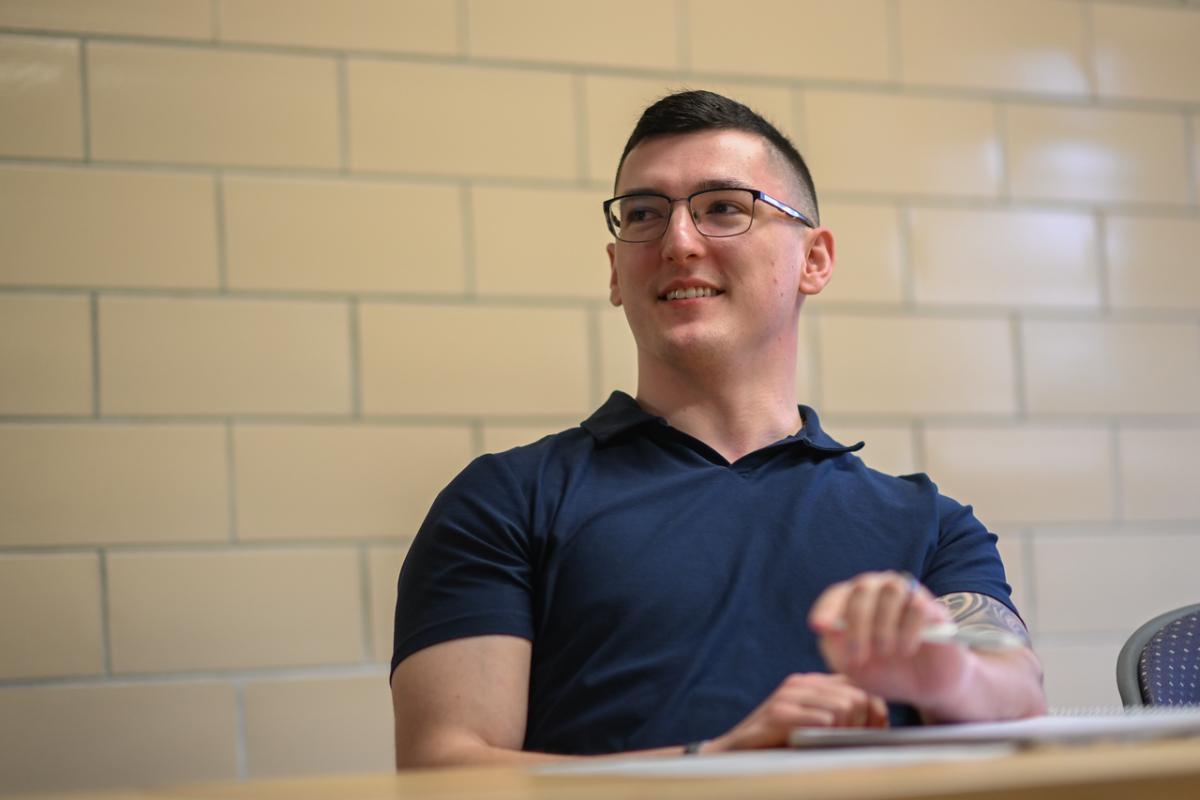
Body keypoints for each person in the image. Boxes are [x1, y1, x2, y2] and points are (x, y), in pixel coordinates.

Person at [389, 90, 1046, 767]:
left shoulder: (928, 524)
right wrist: (716, 762)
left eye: (724, 209)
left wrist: (944, 675)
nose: (678, 242)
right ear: (616, 271)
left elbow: (1020, 695)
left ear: (814, 261)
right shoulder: (506, 500)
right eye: (643, 214)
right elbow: (444, 768)